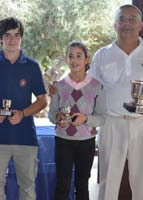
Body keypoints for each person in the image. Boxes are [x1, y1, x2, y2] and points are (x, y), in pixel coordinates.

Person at [88, 4, 143, 200]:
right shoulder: (102, 55)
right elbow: (89, 88)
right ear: (115, 24)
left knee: (142, 182)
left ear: (140, 25)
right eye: (122, 19)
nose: (127, 24)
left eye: (132, 19)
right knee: (108, 182)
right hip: (111, 123)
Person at [0, 17, 47, 200]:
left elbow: (42, 100)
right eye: (7, 35)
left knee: (27, 188)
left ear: (21, 38)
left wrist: (23, 113)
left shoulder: (32, 66)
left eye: (17, 35)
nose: (12, 39)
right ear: (0, 38)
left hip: (25, 137)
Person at [48, 41, 103, 200]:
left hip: (86, 141)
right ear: (66, 60)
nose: (74, 60)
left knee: (82, 184)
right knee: (62, 184)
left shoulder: (96, 86)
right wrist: (58, 119)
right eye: (70, 56)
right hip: (63, 140)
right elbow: (52, 115)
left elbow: (103, 118)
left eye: (79, 56)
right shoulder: (59, 85)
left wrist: (85, 119)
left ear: (87, 59)